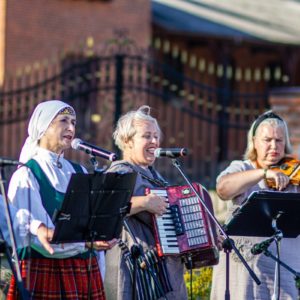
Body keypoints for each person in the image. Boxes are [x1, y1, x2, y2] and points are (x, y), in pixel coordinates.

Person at [6, 100, 116, 299]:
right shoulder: (27, 174)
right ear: (44, 126)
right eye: (63, 121)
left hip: (83, 271)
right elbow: (38, 238)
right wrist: (86, 244)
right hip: (44, 270)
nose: (71, 128)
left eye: (73, 122)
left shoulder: (79, 171)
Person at [210, 111, 300, 300]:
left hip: (283, 272)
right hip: (245, 271)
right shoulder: (243, 168)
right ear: (254, 141)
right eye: (267, 140)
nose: (274, 146)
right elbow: (223, 189)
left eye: (279, 140)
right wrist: (263, 173)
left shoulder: (294, 174)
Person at [104, 105, 188, 300]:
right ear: (127, 141)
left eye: (156, 136)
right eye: (147, 136)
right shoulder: (119, 171)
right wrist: (142, 203)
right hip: (135, 270)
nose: (154, 141)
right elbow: (105, 209)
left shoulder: (155, 176)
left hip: (161, 271)